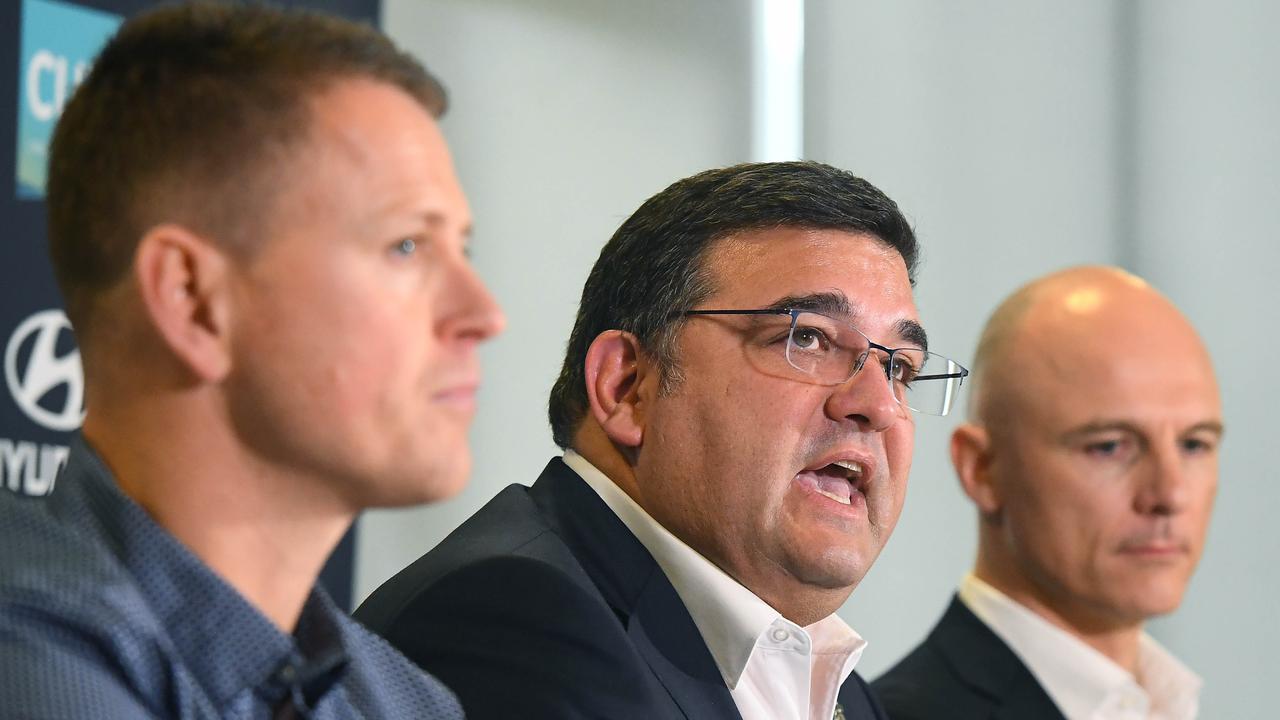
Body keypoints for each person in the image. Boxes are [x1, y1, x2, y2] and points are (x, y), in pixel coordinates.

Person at [0, 3, 504, 718]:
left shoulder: (407, 700)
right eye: (407, 246)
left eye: (465, 249)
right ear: (193, 301)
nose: (484, 314)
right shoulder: (28, 661)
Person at [356, 160, 970, 720]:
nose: (878, 406)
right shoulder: (509, 624)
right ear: (628, 387)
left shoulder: (829, 686)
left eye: (901, 368)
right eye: (807, 338)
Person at [873, 266, 1221, 720]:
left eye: (1194, 444)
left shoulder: (1166, 702)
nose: (1170, 494)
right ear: (982, 469)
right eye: (1110, 446)